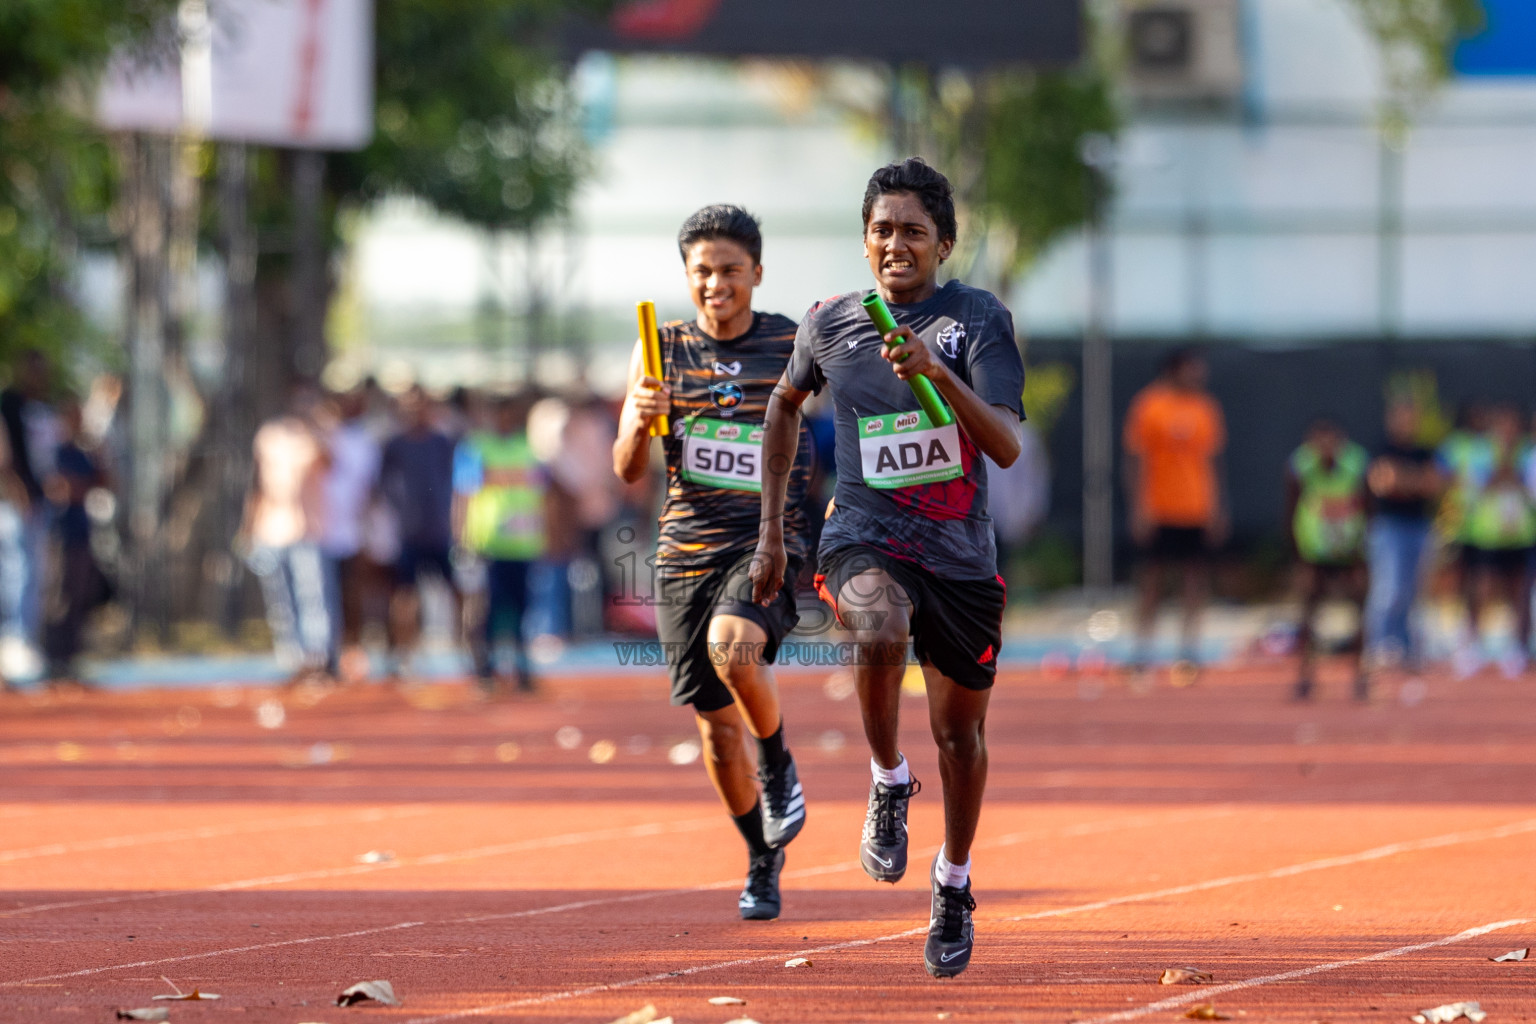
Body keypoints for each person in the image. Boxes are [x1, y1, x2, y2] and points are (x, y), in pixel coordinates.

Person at [753, 159, 1025, 978]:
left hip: (960, 557)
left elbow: (1005, 445)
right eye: (881, 230)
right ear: (864, 242)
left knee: (960, 735)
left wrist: (935, 371)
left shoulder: (976, 318)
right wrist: (772, 529)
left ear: (944, 241)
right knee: (878, 622)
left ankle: (953, 882)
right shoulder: (830, 322)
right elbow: (782, 405)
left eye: (912, 231)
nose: (895, 244)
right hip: (864, 532)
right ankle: (886, 777)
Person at [613, 204, 814, 923]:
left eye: (731, 270)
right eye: (703, 271)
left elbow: (845, 422)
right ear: (688, 277)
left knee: (736, 649)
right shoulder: (657, 347)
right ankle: (762, 859)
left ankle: (779, 759)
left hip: (765, 543)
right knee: (713, 728)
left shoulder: (793, 341)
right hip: (683, 553)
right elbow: (627, 470)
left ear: (756, 272)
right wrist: (639, 417)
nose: (716, 284)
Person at [1123, 349, 1227, 677]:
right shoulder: (1149, 405)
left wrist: (1217, 507)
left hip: (1195, 508)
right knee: (1152, 581)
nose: (1198, 377)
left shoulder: (1205, 407)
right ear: (1175, 370)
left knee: (1194, 581)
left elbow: (1213, 461)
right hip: (1159, 507)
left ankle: (1189, 651)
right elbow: (1135, 460)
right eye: (1192, 370)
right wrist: (1139, 507)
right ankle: (1142, 651)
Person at [240, 390, 337, 684]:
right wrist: (248, 526)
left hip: (308, 530)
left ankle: (317, 658)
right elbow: (257, 483)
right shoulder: (269, 436)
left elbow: (331, 463)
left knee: (314, 596)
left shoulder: (316, 437)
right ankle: (293, 658)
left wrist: (316, 427)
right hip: (271, 530)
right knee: (281, 599)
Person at [454, 394, 549, 693]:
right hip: (487, 544)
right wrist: (461, 537)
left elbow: (542, 492)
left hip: (523, 544)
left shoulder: (529, 449)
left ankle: (521, 669)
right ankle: (485, 670)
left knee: (522, 610)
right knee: (487, 611)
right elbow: (463, 494)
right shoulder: (475, 447)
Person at [1285, 420, 1369, 701]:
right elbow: (1291, 508)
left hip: (1349, 550)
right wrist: (1297, 554)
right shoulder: (1301, 466)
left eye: (1331, 441)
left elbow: (1367, 506)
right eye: (1319, 442)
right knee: (1309, 611)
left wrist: (1362, 548)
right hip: (1314, 551)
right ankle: (1305, 675)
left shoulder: (1356, 464)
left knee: (1358, 611)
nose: (1325, 448)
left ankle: (1360, 675)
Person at [379, 386, 461, 675]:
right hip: (409, 531)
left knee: (456, 590)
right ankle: (405, 655)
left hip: (439, 531)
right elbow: (383, 487)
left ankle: (465, 650)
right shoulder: (394, 445)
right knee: (405, 595)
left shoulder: (443, 442)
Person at [1453, 404, 1535, 678]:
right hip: (1486, 535)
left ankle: (1518, 648)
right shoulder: (1479, 452)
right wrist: (1506, 472)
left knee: (1519, 592)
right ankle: (1472, 645)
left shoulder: (1529, 454)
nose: (1507, 432)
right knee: (1481, 589)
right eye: (1502, 426)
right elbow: (1477, 486)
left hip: (1521, 535)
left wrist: (1508, 474)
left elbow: (1530, 489)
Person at [1364, 401, 1441, 671]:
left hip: (1419, 527)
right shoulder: (1381, 448)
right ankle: (1380, 644)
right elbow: (1382, 483)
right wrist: (1414, 481)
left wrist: (1404, 480)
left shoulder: (1425, 452)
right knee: (1389, 590)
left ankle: (1407, 647)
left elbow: (1434, 484)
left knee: (1414, 592)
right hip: (1389, 527)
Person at [41, 397, 112, 687]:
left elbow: (104, 482)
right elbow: (58, 489)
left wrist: (98, 454)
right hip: (59, 535)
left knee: (80, 596)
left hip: (82, 533)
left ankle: (71, 659)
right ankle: (53, 659)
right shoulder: (52, 452)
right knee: (59, 599)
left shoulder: (83, 453)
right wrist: (77, 488)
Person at [319, 387, 382, 682]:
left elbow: (369, 488)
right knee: (322, 597)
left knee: (352, 595)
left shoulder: (365, 442)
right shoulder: (320, 438)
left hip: (351, 531)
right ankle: (325, 655)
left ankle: (351, 652)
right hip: (319, 531)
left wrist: (367, 528)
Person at [0, 350, 58, 655]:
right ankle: (12, 640)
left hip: (35, 501)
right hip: (13, 502)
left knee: (34, 574)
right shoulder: (8, 403)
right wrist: (16, 489)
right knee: (16, 571)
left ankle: (24, 641)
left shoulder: (40, 409)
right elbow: (5, 455)